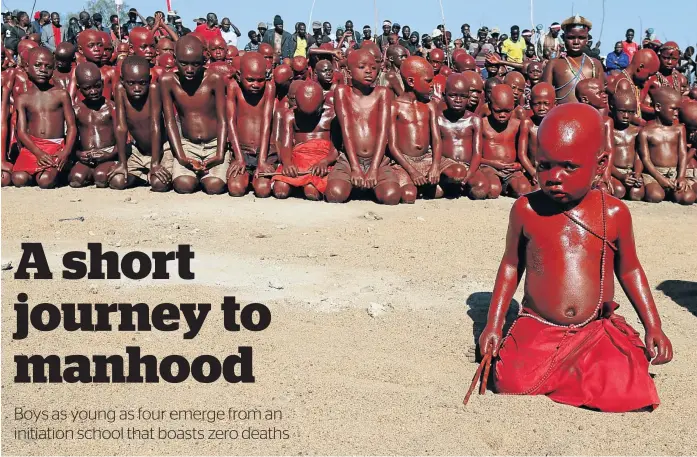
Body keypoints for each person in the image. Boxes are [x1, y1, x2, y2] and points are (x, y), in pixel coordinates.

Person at [479, 102, 673, 412]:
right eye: (544, 166)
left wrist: (654, 326)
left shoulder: (614, 213)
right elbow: (511, 267)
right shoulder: (527, 210)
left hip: (593, 329)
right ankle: (574, 375)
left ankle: (575, 371)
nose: (554, 177)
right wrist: (493, 325)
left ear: (600, 165)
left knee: (630, 386)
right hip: (539, 325)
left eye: (568, 166)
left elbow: (630, 271)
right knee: (508, 382)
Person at [325, 49, 400, 205]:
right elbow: (346, 132)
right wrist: (355, 167)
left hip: (378, 160)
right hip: (349, 160)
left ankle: (369, 185)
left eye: (373, 68)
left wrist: (373, 169)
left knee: (391, 196)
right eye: (362, 67)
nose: (369, 71)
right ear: (348, 71)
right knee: (335, 194)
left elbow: (382, 133)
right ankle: (357, 184)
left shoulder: (382, 93)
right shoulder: (342, 92)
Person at [160, 36, 228, 194]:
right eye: (184, 64)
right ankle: (192, 174)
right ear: (175, 59)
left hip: (214, 144)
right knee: (184, 185)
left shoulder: (214, 79)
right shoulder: (167, 81)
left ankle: (207, 175)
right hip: (187, 145)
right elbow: (170, 121)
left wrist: (219, 153)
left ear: (204, 61)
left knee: (214, 187)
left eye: (195, 64)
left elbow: (222, 120)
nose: (189, 70)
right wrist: (182, 157)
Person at [11, 48, 76, 188]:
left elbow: (71, 126)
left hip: (56, 145)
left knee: (46, 181)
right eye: (38, 65)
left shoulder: (61, 95)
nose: (43, 70)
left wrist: (66, 151)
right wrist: (38, 153)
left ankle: (58, 172)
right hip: (33, 147)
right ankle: (43, 171)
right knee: (18, 178)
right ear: (27, 67)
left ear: (53, 69)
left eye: (48, 66)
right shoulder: (23, 99)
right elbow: (21, 132)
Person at [387, 56, 445, 203]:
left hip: (426, 158)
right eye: (428, 81)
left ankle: (424, 183)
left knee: (457, 174)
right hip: (404, 161)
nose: (433, 85)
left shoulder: (430, 105)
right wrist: (412, 171)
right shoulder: (395, 107)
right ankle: (415, 184)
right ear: (411, 81)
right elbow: (392, 146)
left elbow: (436, 139)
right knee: (408, 196)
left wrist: (435, 166)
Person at [110, 56, 171, 191]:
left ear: (149, 80)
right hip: (138, 151)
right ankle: (142, 178)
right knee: (117, 181)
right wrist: (122, 162)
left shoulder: (154, 89)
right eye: (131, 83)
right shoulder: (120, 89)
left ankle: (151, 173)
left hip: (160, 150)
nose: (137, 88)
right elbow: (121, 127)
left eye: (142, 83)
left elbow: (155, 127)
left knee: (159, 184)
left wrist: (155, 163)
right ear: (122, 81)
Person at [271, 79, 339, 200]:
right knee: (280, 189)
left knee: (311, 190)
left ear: (323, 102)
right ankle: (297, 183)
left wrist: (325, 162)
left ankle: (305, 185)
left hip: (322, 161)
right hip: (298, 159)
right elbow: (286, 145)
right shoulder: (290, 115)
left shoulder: (333, 115)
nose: (309, 116)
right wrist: (287, 163)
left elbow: (336, 148)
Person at [226, 53, 276, 197]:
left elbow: (267, 122)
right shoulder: (233, 87)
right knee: (236, 188)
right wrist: (239, 157)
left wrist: (262, 160)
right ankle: (247, 175)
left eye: (260, 80)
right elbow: (231, 122)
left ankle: (256, 176)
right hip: (242, 150)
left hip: (264, 151)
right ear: (239, 75)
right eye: (250, 80)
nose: (255, 84)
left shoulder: (269, 88)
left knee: (262, 190)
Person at [638, 87, 695, 205]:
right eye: (673, 109)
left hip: (675, 172)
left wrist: (681, 177)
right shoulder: (646, 132)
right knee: (655, 196)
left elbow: (683, 154)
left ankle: (673, 191)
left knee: (688, 198)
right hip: (655, 173)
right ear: (658, 107)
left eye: (678, 110)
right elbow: (646, 159)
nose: (676, 113)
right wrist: (660, 179)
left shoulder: (679, 129)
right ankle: (664, 190)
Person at [437, 73, 487, 199]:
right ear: (444, 95)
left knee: (481, 190)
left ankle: (459, 185)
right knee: (438, 191)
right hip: (446, 166)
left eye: (463, 96)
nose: (458, 100)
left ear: (468, 97)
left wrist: (469, 174)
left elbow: (477, 153)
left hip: (467, 166)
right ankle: (448, 184)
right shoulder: (438, 119)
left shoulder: (474, 120)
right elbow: (434, 148)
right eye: (453, 96)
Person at [67, 62, 117, 188]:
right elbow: (70, 139)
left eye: (97, 86)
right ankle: (90, 172)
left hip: (108, 153)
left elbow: (123, 139)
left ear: (102, 83)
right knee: (76, 179)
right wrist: (79, 154)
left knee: (101, 177)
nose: (93, 91)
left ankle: (100, 171)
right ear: (79, 88)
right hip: (86, 155)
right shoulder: (76, 110)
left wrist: (109, 155)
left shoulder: (112, 107)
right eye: (87, 88)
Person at [479, 84, 531, 198]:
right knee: (493, 190)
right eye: (497, 111)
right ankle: (499, 185)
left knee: (524, 191)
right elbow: (474, 155)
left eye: (507, 111)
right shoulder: (482, 124)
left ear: (513, 106)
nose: (502, 115)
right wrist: (493, 163)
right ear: (490, 105)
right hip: (489, 168)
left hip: (511, 170)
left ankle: (507, 187)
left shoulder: (517, 125)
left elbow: (523, 153)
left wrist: (519, 165)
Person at [542, 15, 604, 104]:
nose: (576, 42)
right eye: (571, 37)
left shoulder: (595, 64)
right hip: (561, 115)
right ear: (563, 38)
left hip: (588, 115)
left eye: (581, 38)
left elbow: (602, 100)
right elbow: (545, 95)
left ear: (587, 39)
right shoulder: (554, 63)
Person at [575, 78, 614, 192]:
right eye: (599, 93)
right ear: (585, 99)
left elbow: (609, 149)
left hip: (599, 168)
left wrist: (606, 173)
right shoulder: (576, 120)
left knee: (611, 190)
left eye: (604, 91)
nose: (604, 95)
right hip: (581, 169)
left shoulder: (606, 121)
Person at [609, 89, 644, 201]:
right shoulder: (610, 131)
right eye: (622, 111)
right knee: (619, 191)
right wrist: (620, 176)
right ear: (612, 107)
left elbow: (639, 156)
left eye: (630, 112)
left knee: (636, 194)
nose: (626, 116)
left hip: (632, 172)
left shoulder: (637, 131)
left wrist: (637, 174)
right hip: (614, 172)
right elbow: (606, 158)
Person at [519, 82, 555, 186]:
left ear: (554, 103)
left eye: (546, 103)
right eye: (537, 104)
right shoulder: (527, 124)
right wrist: (533, 172)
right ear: (530, 104)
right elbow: (522, 154)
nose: (541, 108)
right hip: (532, 170)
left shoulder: (558, 124)